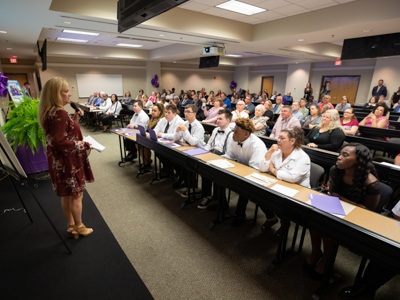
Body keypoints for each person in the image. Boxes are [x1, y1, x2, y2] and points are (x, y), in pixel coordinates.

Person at [305, 143, 380, 280]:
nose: (339, 157)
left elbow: (368, 212)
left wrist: (341, 199)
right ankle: (316, 252)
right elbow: (332, 192)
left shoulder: (371, 184)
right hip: (337, 209)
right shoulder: (336, 170)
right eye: (340, 154)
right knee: (314, 219)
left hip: (357, 219)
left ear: (359, 160)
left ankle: (327, 259)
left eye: (344, 155)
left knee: (328, 227)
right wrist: (337, 199)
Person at [38, 77, 94, 239]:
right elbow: (59, 141)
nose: (69, 94)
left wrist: (74, 121)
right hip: (68, 161)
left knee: (67, 194)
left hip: (58, 161)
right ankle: (80, 226)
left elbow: (59, 134)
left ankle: (71, 226)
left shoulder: (50, 112)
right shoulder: (61, 113)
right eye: (66, 91)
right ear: (56, 94)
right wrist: (83, 145)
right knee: (77, 195)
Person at [259, 127, 310, 234]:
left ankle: (285, 223)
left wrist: (273, 170)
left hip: (297, 193)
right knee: (258, 194)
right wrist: (269, 152)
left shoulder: (303, 157)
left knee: (275, 200)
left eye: (282, 138)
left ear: (292, 141)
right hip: (279, 186)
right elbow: (263, 169)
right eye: (278, 137)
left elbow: (292, 178)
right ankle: (271, 218)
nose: (278, 140)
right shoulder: (277, 152)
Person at [223, 117, 268, 227]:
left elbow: (254, 169)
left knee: (245, 187)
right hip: (240, 170)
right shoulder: (234, 139)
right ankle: (222, 206)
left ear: (246, 134)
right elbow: (229, 157)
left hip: (257, 175)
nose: (233, 134)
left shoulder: (257, 146)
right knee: (219, 176)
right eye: (234, 130)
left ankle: (240, 215)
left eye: (236, 132)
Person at [198, 110, 234, 209]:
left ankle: (219, 200)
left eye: (220, 119)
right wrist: (204, 153)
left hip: (222, 157)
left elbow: (229, 153)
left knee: (217, 177)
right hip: (211, 154)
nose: (217, 120)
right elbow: (209, 144)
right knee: (204, 171)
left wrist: (217, 158)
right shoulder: (215, 130)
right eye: (217, 118)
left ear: (227, 120)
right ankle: (207, 196)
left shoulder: (231, 134)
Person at [173, 104, 206, 197]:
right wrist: (177, 131)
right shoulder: (186, 123)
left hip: (198, 151)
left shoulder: (199, 127)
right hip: (188, 149)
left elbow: (193, 143)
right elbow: (176, 138)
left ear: (194, 114)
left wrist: (185, 131)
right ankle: (186, 182)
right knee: (176, 159)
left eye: (188, 112)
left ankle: (193, 187)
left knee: (188, 163)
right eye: (185, 112)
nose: (186, 114)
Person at [139, 103, 165, 170]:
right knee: (138, 143)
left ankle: (147, 162)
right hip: (150, 138)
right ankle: (146, 161)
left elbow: (159, 132)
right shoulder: (152, 119)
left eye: (155, 111)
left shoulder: (162, 120)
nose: (152, 112)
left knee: (144, 145)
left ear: (160, 112)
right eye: (152, 110)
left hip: (157, 140)